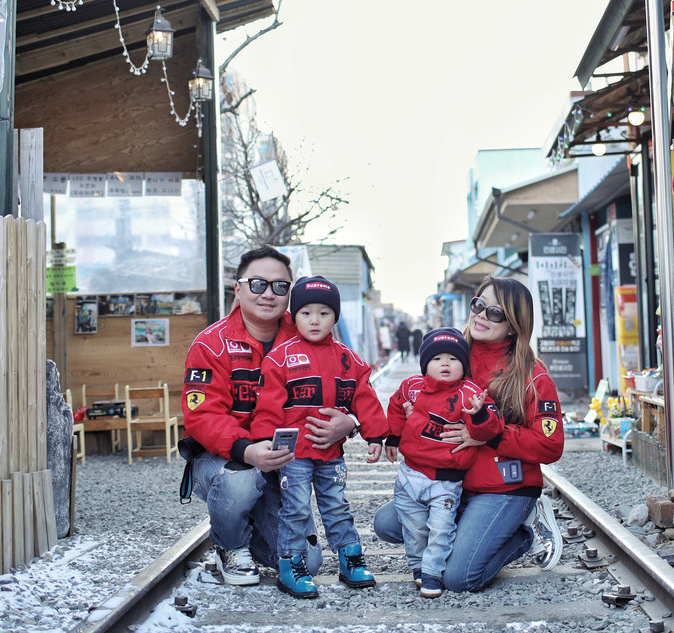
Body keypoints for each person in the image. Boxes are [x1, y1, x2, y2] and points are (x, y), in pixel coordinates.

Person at [180, 246, 359, 587]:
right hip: (227, 461)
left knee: (309, 561)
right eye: (258, 283)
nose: (268, 294)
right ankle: (230, 545)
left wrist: (349, 422)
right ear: (238, 288)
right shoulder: (210, 345)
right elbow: (202, 416)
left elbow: (348, 382)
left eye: (280, 287)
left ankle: (248, 534)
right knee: (240, 479)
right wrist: (247, 451)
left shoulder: (308, 332)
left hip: (286, 464)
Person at [373, 276, 565, 593]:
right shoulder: (451, 354)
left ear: (514, 325)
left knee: (459, 578)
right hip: (449, 484)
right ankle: (475, 532)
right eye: (478, 305)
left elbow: (550, 445)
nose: (480, 315)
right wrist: (412, 416)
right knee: (387, 524)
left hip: (504, 487)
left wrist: (489, 434)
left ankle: (526, 531)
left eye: (495, 312)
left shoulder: (533, 375)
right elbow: (418, 399)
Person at [251, 275, 390, 599]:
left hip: (331, 454)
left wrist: (376, 435)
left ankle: (350, 560)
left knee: (337, 506)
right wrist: (262, 441)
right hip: (294, 454)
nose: (315, 320)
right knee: (296, 508)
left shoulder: (349, 359)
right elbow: (268, 405)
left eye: (324, 313)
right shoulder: (281, 357)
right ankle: (291, 566)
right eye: (306, 313)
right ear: (294, 315)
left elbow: (365, 398)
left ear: (335, 317)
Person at [385, 327, 496, 598]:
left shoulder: (471, 393)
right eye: (437, 359)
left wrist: (479, 416)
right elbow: (396, 406)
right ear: (425, 365)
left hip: (446, 479)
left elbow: (491, 428)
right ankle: (417, 566)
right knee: (413, 527)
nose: (445, 363)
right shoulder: (412, 386)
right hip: (410, 473)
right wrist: (392, 437)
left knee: (440, 527)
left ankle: (433, 570)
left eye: (453, 359)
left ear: (464, 365)